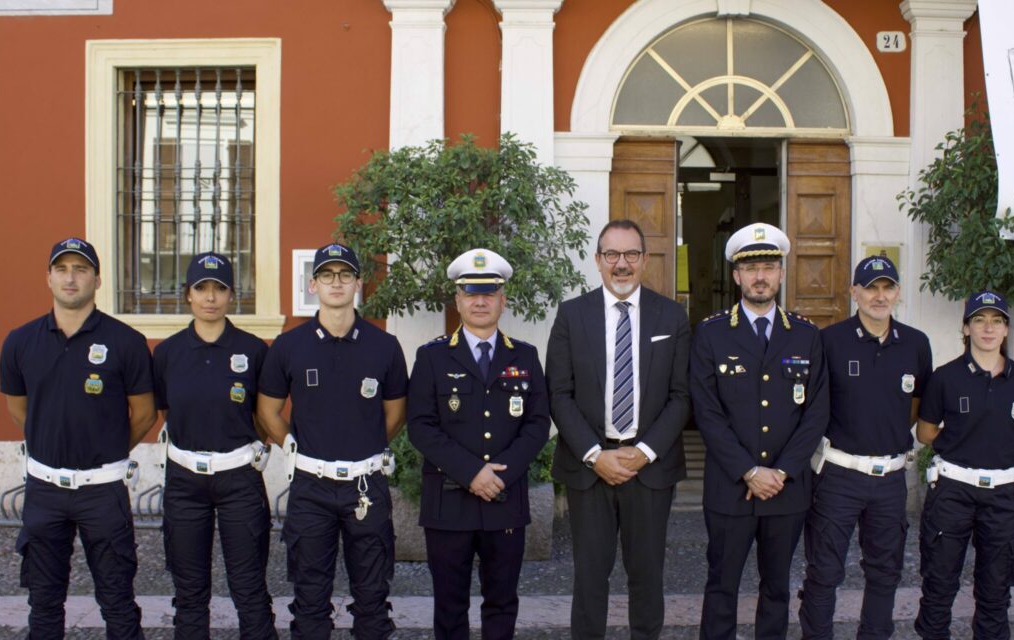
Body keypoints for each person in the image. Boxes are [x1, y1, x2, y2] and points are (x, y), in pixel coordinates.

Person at [0, 237, 155, 639]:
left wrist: (106, 450)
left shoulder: (126, 343)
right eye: (62, 269)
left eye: (81, 269)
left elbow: (143, 414)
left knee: (117, 599)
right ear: (48, 278)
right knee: (44, 602)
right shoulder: (19, 341)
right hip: (44, 489)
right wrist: (50, 441)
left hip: (102, 491)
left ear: (97, 280)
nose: (71, 278)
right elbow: (20, 410)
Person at [546, 219, 691, 640]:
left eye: (631, 255)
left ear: (645, 260)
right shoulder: (572, 316)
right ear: (598, 261)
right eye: (612, 255)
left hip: (650, 467)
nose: (621, 264)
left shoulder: (672, 315)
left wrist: (644, 451)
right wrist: (594, 455)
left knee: (647, 577)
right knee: (589, 579)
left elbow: (682, 396)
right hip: (589, 467)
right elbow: (558, 393)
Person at [256, 242, 408, 639]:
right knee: (309, 598)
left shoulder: (385, 346)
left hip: (366, 484)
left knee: (373, 597)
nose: (336, 282)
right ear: (314, 284)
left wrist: (364, 448)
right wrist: (293, 446)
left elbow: (395, 414)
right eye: (327, 275)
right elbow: (268, 411)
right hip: (311, 487)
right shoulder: (289, 345)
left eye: (344, 275)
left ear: (358, 283)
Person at [690, 223, 829, 639]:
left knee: (777, 588)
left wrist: (781, 472)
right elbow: (707, 412)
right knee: (721, 587)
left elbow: (816, 413)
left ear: (782, 274)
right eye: (751, 269)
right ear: (736, 276)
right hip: (730, 488)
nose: (760, 277)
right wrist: (750, 471)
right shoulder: (711, 333)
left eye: (769, 267)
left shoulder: (805, 335)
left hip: (787, 491)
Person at [407, 248, 552, 640]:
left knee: (502, 603)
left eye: (489, 293)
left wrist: (501, 475)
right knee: (449, 605)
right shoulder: (433, 357)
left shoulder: (524, 355)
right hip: (449, 502)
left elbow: (538, 423)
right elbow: (420, 425)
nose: (481, 301)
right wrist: (472, 472)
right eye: (471, 293)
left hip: (504, 501)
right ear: (458, 300)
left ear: (503, 300)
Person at [799, 255, 934, 640]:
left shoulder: (916, 344)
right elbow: (813, 404)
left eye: (887, 287)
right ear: (853, 293)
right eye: (870, 288)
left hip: (890, 479)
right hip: (839, 476)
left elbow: (917, 404)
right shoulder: (829, 341)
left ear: (897, 293)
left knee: (885, 571)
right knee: (824, 572)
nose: (879, 296)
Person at [152, 252, 276, 638]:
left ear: (231, 296)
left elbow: (264, 416)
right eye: (201, 288)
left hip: (239, 478)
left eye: (219, 289)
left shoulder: (254, 350)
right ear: (187, 294)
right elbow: (163, 410)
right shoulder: (168, 353)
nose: (210, 297)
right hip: (185, 482)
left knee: (249, 585)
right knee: (189, 591)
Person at [914, 290, 1014, 640]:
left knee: (996, 588)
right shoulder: (945, 377)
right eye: (980, 321)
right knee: (939, 582)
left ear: (1006, 330)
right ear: (966, 328)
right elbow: (926, 432)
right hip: (952, 491)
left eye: (996, 321)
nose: (988, 329)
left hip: (1002, 495)